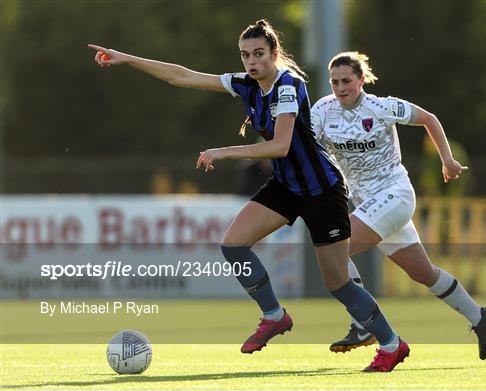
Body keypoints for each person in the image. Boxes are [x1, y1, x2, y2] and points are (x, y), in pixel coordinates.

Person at [89, 20, 410, 372]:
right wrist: (125, 58)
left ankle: (392, 344)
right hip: (287, 187)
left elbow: (281, 146)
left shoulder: (289, 85)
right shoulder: (245, 84)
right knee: (233, 244)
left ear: (275, 53)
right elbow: (181, 76)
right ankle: (274, 315)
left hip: (321, 191)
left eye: (259, 54)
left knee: (338, 283)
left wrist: (223, 152)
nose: (251, 62)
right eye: (245, 55)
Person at [311, 51, 486, 360]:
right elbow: (309, 147)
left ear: (360, 80)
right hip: (367, 203)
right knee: (424, 273)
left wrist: (447, 160)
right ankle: (480, 317)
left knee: (335, 249)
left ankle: (362, 323)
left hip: (395, 195)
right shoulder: (323, 110)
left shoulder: (381, 107)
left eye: (347, 81)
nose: (340, 88)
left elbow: (429, 119)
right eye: (335, 82)